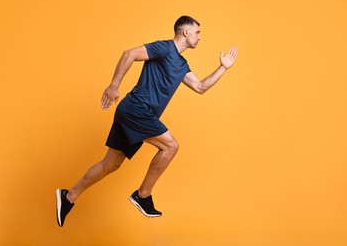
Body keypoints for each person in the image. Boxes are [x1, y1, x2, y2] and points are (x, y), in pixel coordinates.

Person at [56, 15, 238, 227]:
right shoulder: (164, 48)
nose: (199, 37)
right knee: (171, 146)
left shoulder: (181, 64)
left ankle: (69, 196)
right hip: (136, 109)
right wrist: (114, 85)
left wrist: (223, 67)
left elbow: (201, 87)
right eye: (197, 32)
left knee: (110, 164)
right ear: (185, 32)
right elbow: (129, 54)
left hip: (136, 114)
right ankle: (143, 196)